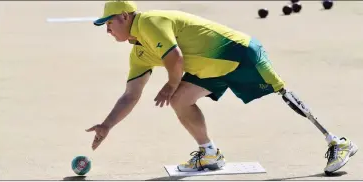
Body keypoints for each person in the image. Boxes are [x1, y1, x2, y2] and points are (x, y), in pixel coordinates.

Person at [86, 0, 358, 174]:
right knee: (180, 99)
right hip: (210, 68)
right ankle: (210, 154)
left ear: (124, 16)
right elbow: (131, 95)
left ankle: (338, 142)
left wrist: (170, 84)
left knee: (281, 93)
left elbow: (175, 58)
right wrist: (107, 124)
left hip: (238, 53)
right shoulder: (138, 54)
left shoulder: (149, 22)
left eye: (109, 23)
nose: (107, 30)